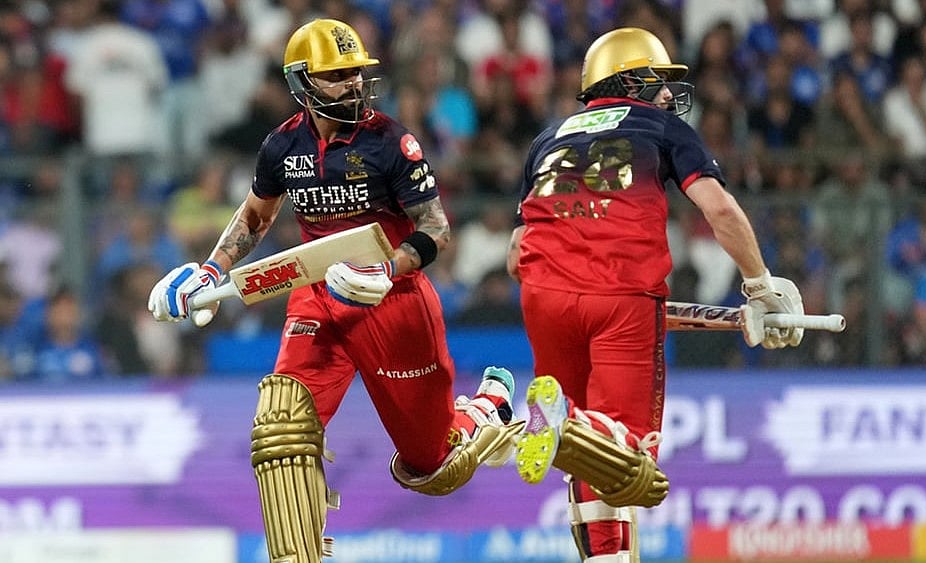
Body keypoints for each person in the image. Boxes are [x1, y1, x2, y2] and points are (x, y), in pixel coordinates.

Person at [147, 19, 523, 563]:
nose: (352, 84)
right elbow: (256, 216)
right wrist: (209, 271)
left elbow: (438, 229)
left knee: (433, 468)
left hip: (391, 302)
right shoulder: (282, 144)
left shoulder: (392, 141)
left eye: (356, 73)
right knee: (282, 424)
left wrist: (387, 271)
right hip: (316, 293)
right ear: (302, 82)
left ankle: (485, 410)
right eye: (337, 75)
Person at [506, 27, 805, 561]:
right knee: (630, 457)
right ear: (626, 81)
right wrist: (760, 283)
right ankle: (567, 422)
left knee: (584, 459)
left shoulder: (547, 138)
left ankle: (605, 553)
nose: (668, 95)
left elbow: (514, 255)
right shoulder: (663, 127)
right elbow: (719, 210)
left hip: (542, 295)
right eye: (657, 81)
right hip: (622, 297)